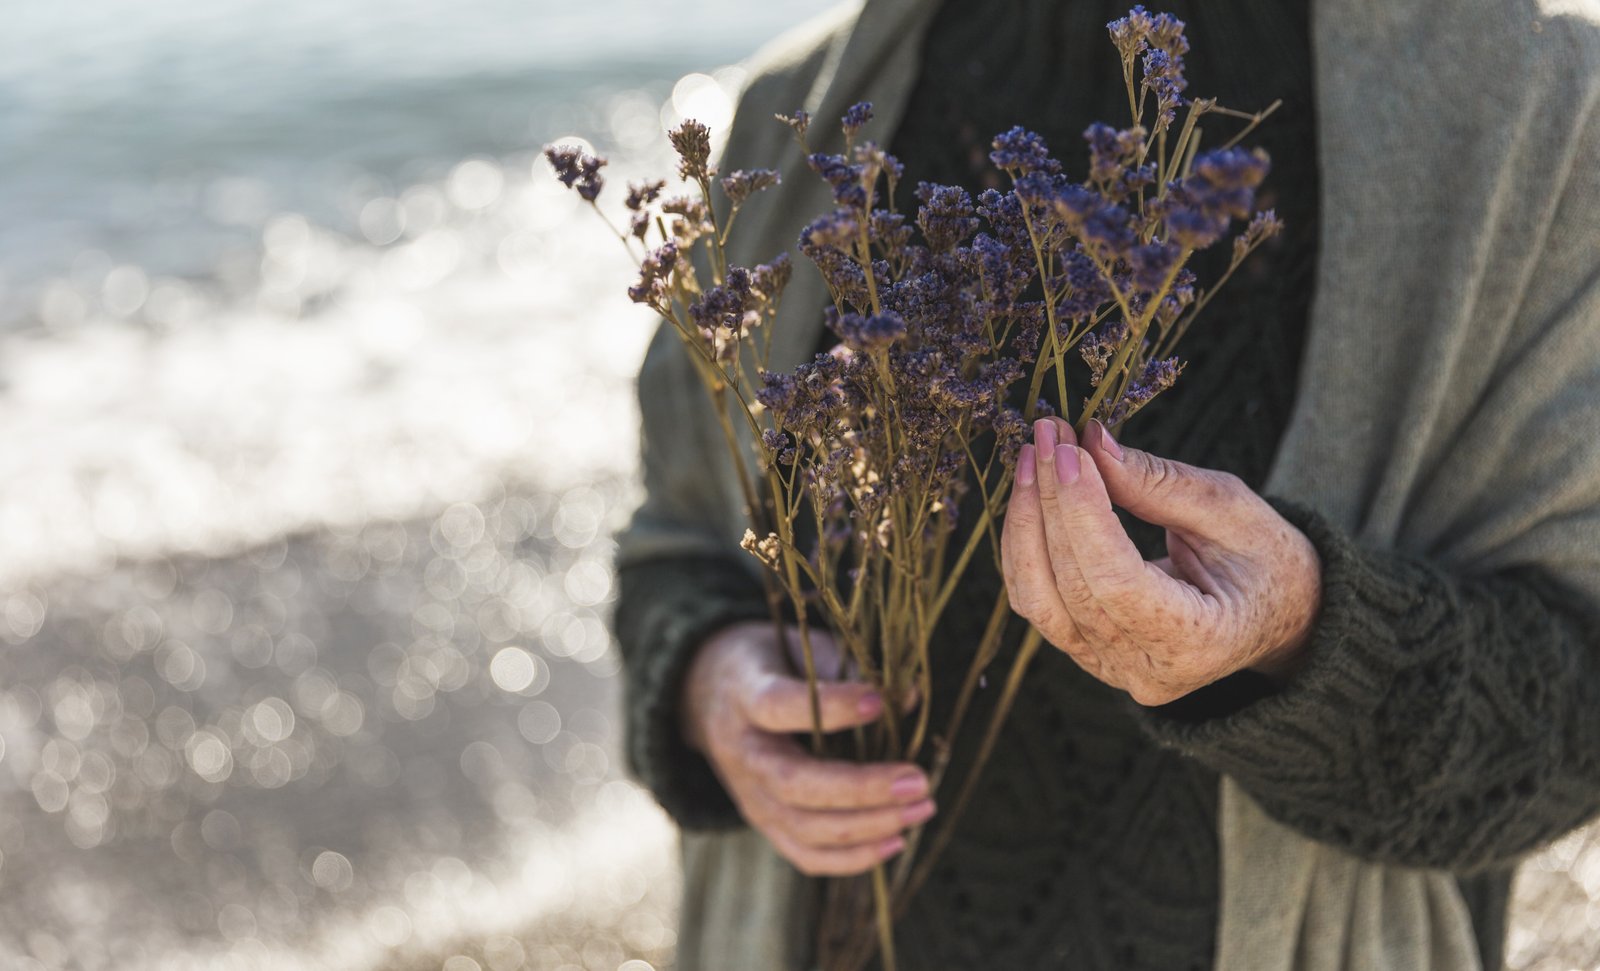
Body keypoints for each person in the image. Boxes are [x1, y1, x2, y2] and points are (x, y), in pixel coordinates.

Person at [612, 0, 1600, 968]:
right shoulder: (801, 108)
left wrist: (1305, 634)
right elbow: (675, 545)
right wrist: (711, 679)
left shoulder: (1539, 107)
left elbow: (1576, 703)